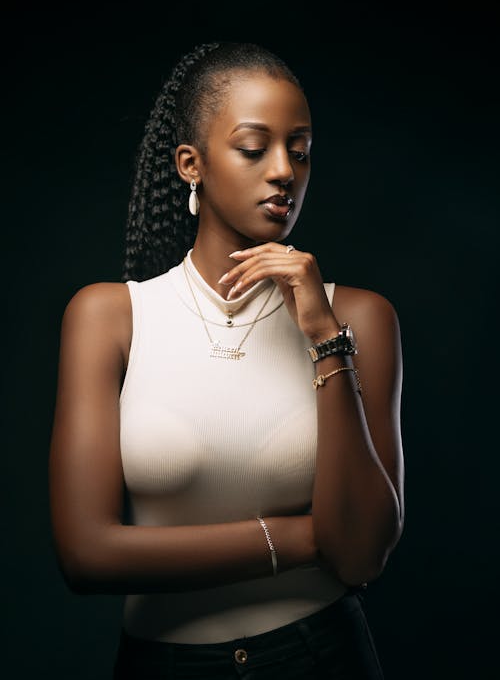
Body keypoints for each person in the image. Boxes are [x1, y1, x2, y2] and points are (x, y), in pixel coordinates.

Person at [49, 41, 405, 679]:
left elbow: (361, 556)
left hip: (321, 658)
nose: (284, 172)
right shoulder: (108, 317)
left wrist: (325, 337)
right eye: (254, 147)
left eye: (300, 151)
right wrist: (301, 538)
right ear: (192, 163)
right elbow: (86, 555)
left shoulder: (361, 318)